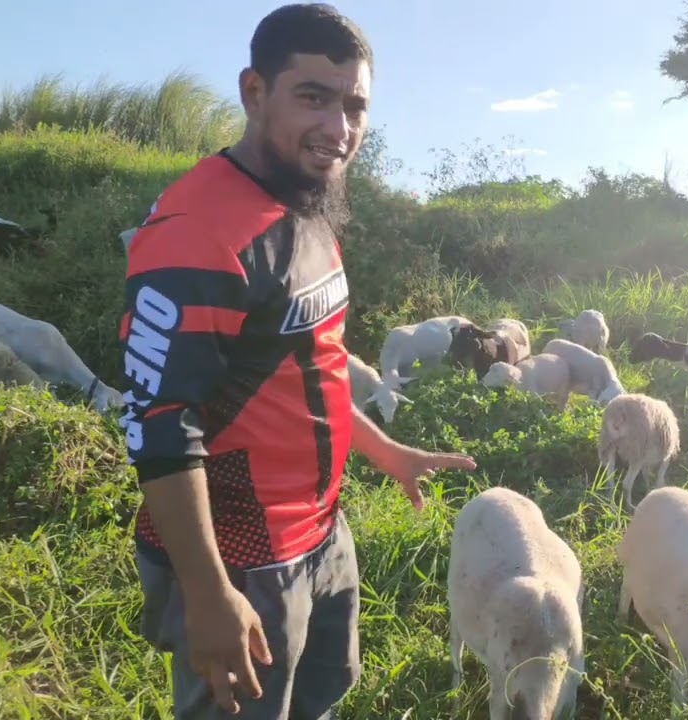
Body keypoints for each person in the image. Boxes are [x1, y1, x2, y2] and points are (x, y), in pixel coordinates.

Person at [117, 4, 477, 718]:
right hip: (239, 558)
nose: (338, 129)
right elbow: (158, 427)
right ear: (255, 93)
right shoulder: (197, 232)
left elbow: (309, 360)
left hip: (318, 531)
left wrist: (380, 448)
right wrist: (210, 593)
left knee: (320, 695)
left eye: (354, 105)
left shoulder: (304, 207)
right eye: (313, 97)